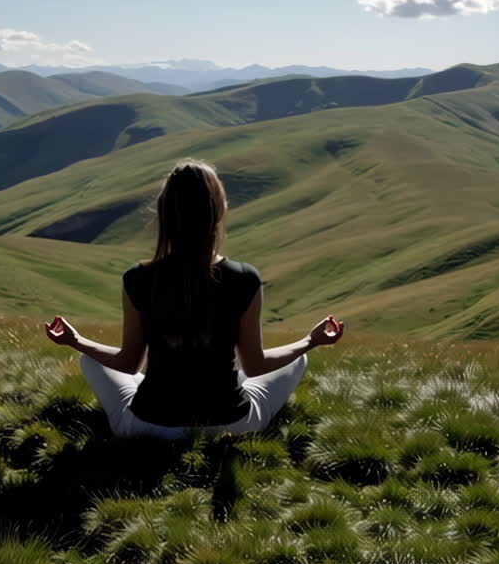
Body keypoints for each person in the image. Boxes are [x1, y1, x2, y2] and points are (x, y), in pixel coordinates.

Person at [42, 158, 344, 440]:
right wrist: (310, 341)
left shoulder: (137, 278)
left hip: (149, 426)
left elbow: (128, 362)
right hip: (231, 424)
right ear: (219, 211)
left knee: (90, 359)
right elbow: (255, 365)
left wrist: (76, 341)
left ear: (164, 214)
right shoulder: (244, 277)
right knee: (294, 358)